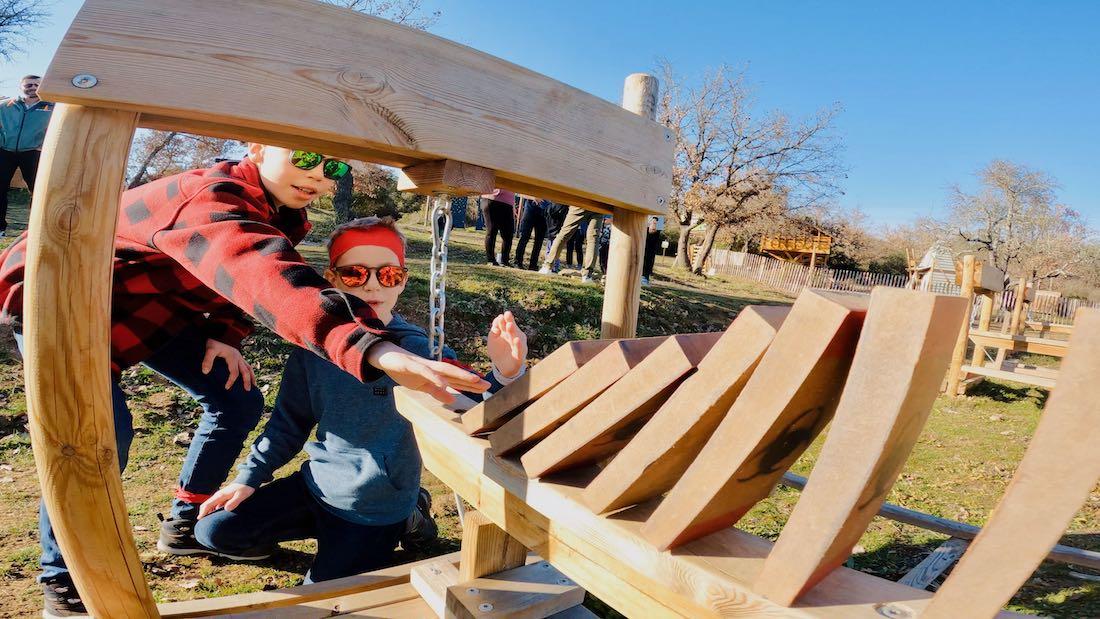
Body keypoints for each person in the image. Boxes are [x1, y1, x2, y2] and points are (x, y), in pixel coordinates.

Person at [0, 146, 487, 618]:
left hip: (150, 313)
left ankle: (186, 516)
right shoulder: (212, 195)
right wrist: (370, 346)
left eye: (333, 166)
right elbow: (260, 271)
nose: (318, 174)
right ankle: (62, 582)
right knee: (99, 436)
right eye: (304, 156)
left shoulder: (284, 216)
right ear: (256, 147)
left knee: (235, 398)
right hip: (61, 299)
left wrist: (225, 333)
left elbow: (234, 281)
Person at [194, 216, 528, 582]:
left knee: (321, 594)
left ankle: (409, 514)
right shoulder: (313, 348)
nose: (372, 284)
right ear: (332, 278)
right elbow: (287, 425)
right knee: (213, 530)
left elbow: (478, 408)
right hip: (318, 485)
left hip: (375, 505)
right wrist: (248, 479)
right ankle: (349, 531)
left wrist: (505, 373)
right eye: (354, 274)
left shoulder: (418, 350)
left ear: (403, 280)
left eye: (388, 274)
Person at [0, 75, 53, 236]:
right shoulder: (6, 105)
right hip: (5, 151)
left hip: (33, 152)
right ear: (21, 87)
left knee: (38, 189)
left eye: (37, 84)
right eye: (28, 85)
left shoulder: (52, 107)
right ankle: (0, 228)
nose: (33, 87)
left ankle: (36, 229)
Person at [539, 206, 602, 283]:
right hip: (598, 206)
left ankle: (548, 265)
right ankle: (587, 274)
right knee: (593, 239)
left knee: (564, 234)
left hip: (581, 203)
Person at [481, 188, 516, 266]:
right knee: (492, 231)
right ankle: (490, 260)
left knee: (508, 234)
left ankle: (505, 260)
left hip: (508, 203)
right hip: (491, 199)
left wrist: (513, 205)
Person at [513, 197, 547, 270]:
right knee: (524, 237)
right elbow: (523, 193)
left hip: (544, 211)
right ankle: (518, 261)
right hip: (530, 208)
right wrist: (533, 197)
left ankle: (533, 265)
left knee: (539, 241)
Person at [642, 217, 662, 286]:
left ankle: (644, 276)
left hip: (653, 220)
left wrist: (655, 220)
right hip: (650, 220)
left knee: (649, 252)